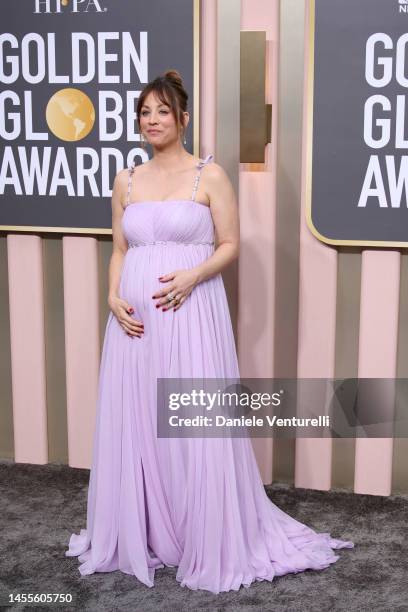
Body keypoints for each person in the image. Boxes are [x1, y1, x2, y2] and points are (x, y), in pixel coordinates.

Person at [65, 69, 354, 593]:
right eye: (145, 113)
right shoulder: (126, 179)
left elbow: (230, 243)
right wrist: (112, 297)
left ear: (183, 117)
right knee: (139, 420)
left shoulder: (209, 175)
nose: (152, 121)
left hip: (191, 314)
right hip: (134, 321)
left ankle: (204, 531)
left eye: (162, 112)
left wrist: (193, 276)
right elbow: (121, 249)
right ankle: (151, 528)